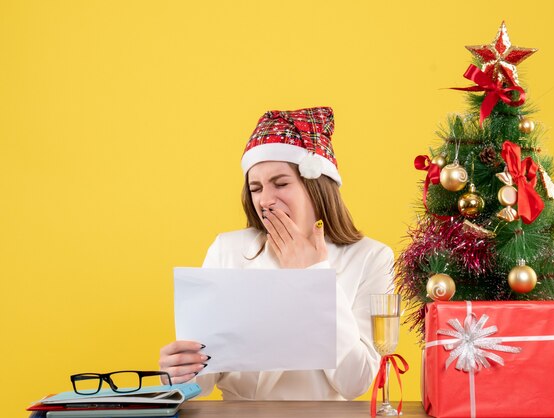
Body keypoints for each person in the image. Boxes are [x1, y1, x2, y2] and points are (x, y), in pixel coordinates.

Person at [158, 107, 394, 400]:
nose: (266, 201)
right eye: (256, 188)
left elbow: (354, 382)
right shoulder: (227, 249)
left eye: (281, 183)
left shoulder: (372, 257)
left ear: (316, 186)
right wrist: (180, 371)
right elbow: (203, 383)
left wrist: (313, 275)